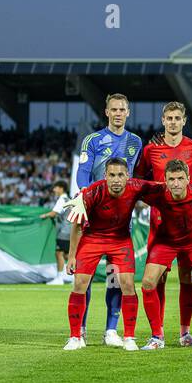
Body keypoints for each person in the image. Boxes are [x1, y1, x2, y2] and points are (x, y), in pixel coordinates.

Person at [135, 101, 192, 345]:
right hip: (161, 224)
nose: (173, 122)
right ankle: (156, 334)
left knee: (186, 277)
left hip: (191, 223)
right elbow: (140, 181)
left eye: (177, 118)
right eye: (169, 118)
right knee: (156, 279)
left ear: (184, 121)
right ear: (163, 120)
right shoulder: (151, 150)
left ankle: (185, 332)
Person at [134, 159, 192, 349]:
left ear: (188, 179)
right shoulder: (157, 192)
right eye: (171, 179)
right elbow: (130, 185)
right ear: (165, 180)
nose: (176, 183)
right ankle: (157, 337)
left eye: (180, 178)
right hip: (166, 242)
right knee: (148, 282)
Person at [76, 93, 143, 345]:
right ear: (106, 112)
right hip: (94, 215)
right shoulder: (93, 140)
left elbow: (138, 176)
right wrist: (85, 198)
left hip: (121, 218)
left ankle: (111, 330)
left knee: (116, 276)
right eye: (113, 109)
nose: (117, 113)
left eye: (122, 109)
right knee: (86, 275)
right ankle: (80, 328)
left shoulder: (136, 141)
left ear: (128, 112)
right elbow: (83, 173)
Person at [64, 158, 151, 351]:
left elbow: (161, 188)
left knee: (128, 284)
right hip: (92, 238)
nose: (116, 179)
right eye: (112, 175)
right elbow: (77, 224)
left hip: (120, 240)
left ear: (128, 176)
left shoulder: (136, 187)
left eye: (121, 175)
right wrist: (71, 256)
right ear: (105, 176)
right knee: (79, 284)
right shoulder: (92, 191)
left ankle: (129, 337)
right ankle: (74, 336)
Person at [40, 180, 72, 284]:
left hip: (64, 231)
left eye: (56, 187)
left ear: (61, 188)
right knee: (67, 255)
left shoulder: (62, 199)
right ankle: (75, 276)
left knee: (59, 253)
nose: (54, 190)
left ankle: (59, 278)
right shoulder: (69, 199)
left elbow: (54, 213)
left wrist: (44, 216)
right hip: (70, 230)